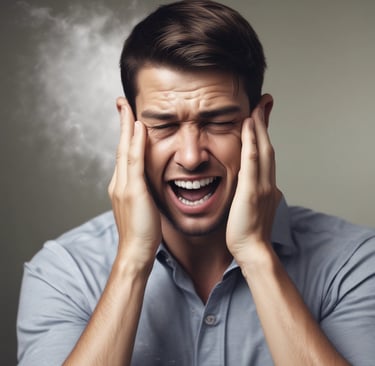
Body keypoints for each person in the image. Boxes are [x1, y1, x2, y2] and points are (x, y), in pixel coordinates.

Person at [17, 1, 375, 365]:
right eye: (164, 125)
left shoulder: (354, 263)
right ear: (127, 127)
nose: (191, 157)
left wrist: (255, 254)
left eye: (218, 121)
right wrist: (132, 260)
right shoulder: (64, 273)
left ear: (260, 120)